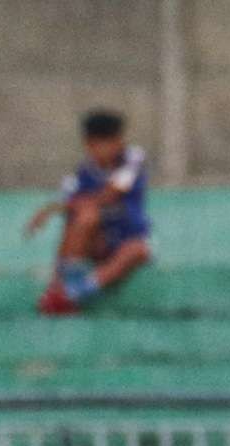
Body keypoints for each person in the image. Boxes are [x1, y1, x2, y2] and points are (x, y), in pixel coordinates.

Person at [24, 109, 153, 316]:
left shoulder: (132, 160)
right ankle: (58, 288)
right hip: (99, 243)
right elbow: (68, 213)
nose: (116, 145)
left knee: (138, 250)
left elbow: (112, 193)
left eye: (116, 140)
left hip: (126, 239)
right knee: (83, 218)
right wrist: (52, 210)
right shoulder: (83, 173)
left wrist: (52, 209)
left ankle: (76, 292)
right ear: (90, 145)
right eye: (105, 142)